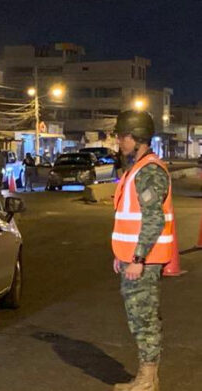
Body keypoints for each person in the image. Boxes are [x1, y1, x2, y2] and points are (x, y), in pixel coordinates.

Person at [111, 111, 173, 391]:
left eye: (122, 136)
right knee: (138, 318)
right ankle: (144, 377)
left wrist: (137, 258)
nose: (119, 142)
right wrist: (122, 255)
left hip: (144, 263)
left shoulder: (148, 171)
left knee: (144, 319)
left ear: (136, 138)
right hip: (134, 259)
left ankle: (148, 380)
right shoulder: (137, 168)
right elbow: (131, 218)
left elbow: (153, 219)